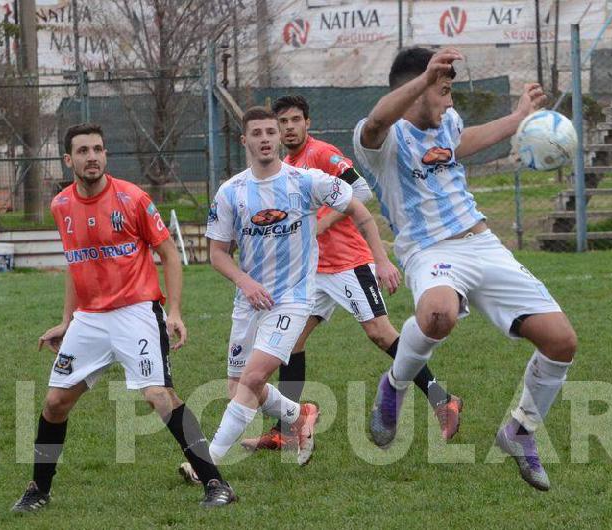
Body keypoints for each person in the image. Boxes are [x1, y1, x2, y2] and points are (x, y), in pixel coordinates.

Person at [353, 47, 578, 491]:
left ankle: (519, 432)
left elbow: (463, 141)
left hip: (483, 244)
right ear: (413, 90)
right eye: (445, 90)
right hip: (427, 249)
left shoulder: (447, 122)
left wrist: (518, 118)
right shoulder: (381, 138)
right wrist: (426, 80)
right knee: (438, 315)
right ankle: (395, 385)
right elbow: (378, 121)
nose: (451, 101)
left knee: (562, 342)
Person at [11, 123, 235, 512]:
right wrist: (67, 320)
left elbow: (168, 255)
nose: (92, 157)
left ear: (105, 155)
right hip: (90, 318)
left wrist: (175, 310)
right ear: (69, 160)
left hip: (136, 312)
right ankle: (38, 491)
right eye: (83, 151)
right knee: (55, 403)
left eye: (98, 149)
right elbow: (75, 265)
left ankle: (216, 483)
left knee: (158, 396)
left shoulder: (132, 198)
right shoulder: (60, 205)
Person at [240, 95, 462, 453]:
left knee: (379, 333)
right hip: (312, 272)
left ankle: (443, 399)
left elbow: (361, 190)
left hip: (348, 264)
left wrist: (330, 228)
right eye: (283, 122)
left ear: (307, 123)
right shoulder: (286, 165)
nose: (289, 127)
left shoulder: (321, 153)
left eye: (296, 120)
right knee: (291, 343)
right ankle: (286, 429)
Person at [196, 106, 401, 474]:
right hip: (249, 300)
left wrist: (381, 258)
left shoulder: (307, 181)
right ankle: (298, 413)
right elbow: (216, 254)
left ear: (279, 138)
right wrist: (243, 280)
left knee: (254, 378)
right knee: (237, 387)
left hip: (292, 298)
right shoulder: (231, 191)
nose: (264, 139)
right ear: (245, 140)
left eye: (270, 133)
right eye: (256, 133)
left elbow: (361, 208)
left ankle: (206, 464)